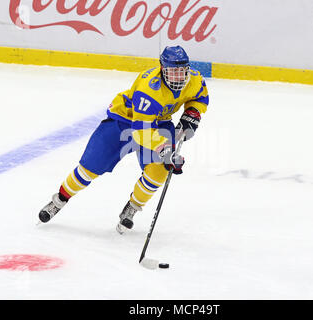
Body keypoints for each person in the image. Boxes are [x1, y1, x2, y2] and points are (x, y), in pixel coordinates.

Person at [38, 45, 209, 234]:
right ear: (162, 68)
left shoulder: (194, 79)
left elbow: (199, 98)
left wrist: (192, 114)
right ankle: (60, 199)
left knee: (159, 172)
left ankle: (132, 208)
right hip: (124, 122)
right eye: (173, 71)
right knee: (89, 169)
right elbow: (141, 131)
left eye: (181, 71)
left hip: (159, 123)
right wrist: (165, 149)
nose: (178, 77)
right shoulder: (150, 88)